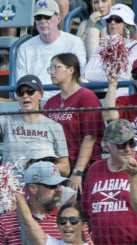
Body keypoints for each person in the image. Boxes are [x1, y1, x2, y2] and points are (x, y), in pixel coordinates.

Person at [44, 54, 102, 192]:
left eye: (56, 67)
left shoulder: (87, 97)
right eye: (50, 68)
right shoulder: (51, 103)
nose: (52, 72)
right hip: (59, 169)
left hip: (83, 168)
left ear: (71, 70)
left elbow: (90, 137)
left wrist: (78, 172)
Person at [12, 0, 86, 99]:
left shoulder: (74, 42)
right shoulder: (24, 47)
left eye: (47, 17)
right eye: (38, 17)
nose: (43, 21)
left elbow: (78, 78)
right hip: (34, 102)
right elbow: (20, 85)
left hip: (65, 100)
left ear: (58, 18)